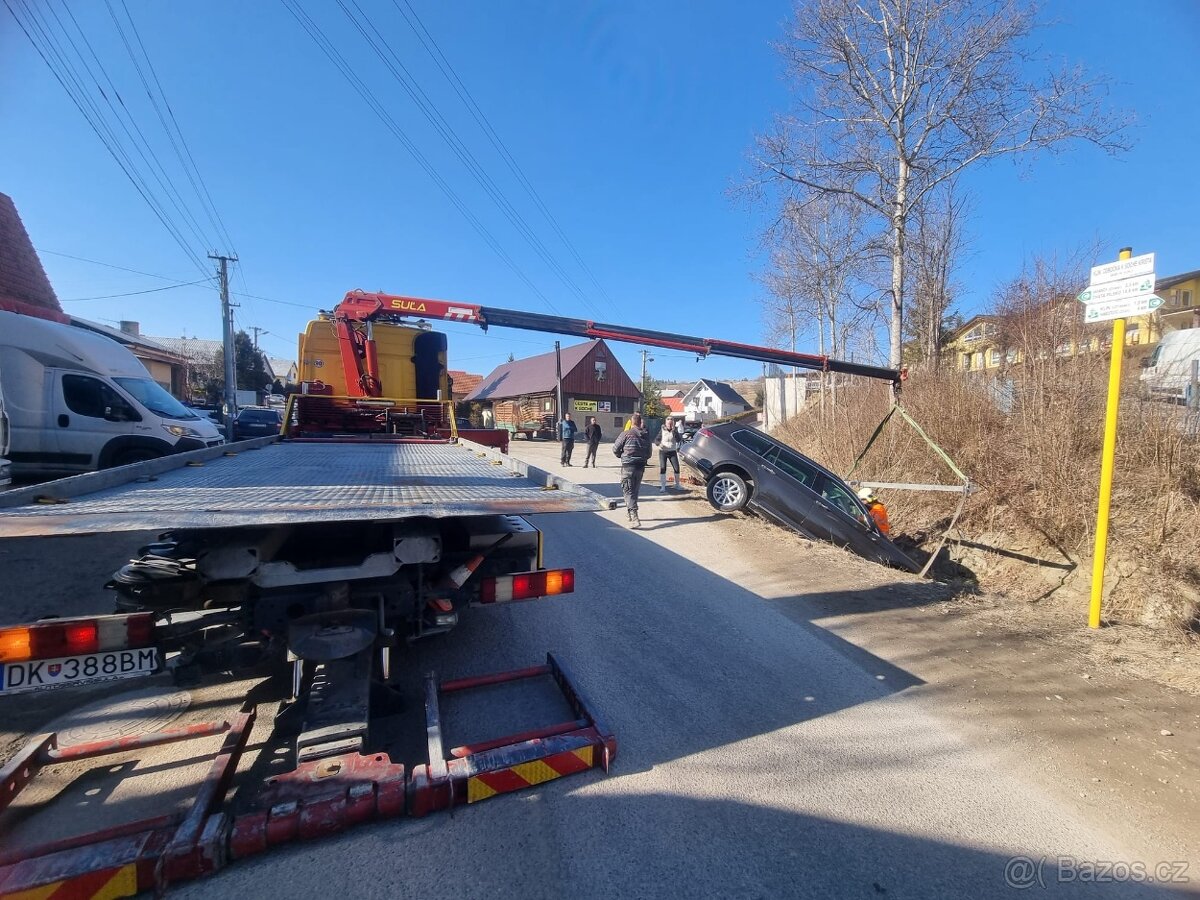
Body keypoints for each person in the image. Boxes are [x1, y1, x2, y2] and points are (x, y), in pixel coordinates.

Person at [612, 412, 652, 528]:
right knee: (634, 491)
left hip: (628, 466)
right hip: (640, 467)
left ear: (632, 422)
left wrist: (621, 455)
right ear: (640, 423)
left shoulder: (626, 434)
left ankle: (635, 517)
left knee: (627, 491)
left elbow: (615, 449)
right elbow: (649, 454)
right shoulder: (646, 436)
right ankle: (630, 513)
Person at [655, 416, 683, 491]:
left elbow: (678, 440)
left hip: (672, 451)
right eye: (668, 421)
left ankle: (677, 485)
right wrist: (659, 444)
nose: (670, 423)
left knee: (676, 468)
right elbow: (656, 440)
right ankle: (663, 486)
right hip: (663, 451)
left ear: (673, 423)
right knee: (663, 468)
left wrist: (674, 431)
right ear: (666, 422)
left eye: (671, 421)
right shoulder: (662, 430)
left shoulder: (675, 430)